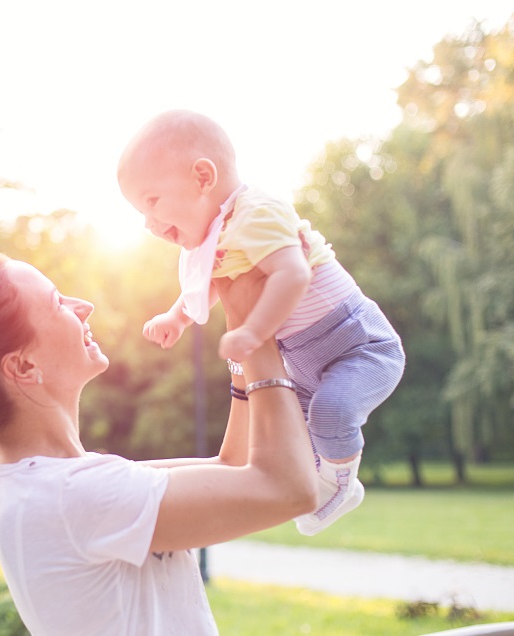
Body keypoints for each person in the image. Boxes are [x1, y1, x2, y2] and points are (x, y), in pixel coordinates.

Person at [0, 251, 318, 635]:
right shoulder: (72, 495)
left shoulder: (55, 482)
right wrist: (258, 335)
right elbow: (290, 489)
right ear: (22, 367)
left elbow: (232, 467)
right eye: (58, 302)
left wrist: (240, 328)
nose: (84, 306)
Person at [116, 109, 406, 535]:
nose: (149, 224)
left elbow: (293, 273)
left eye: (152, 202)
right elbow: (215, 281)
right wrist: (176, 317)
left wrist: (252, 332)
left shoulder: (257, 213)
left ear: (202, 177)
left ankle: (339, 486)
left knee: (329, 415)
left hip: (356, 343)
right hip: (305, 361)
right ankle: (328, 484)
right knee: (286, 449)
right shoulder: (220, 232)